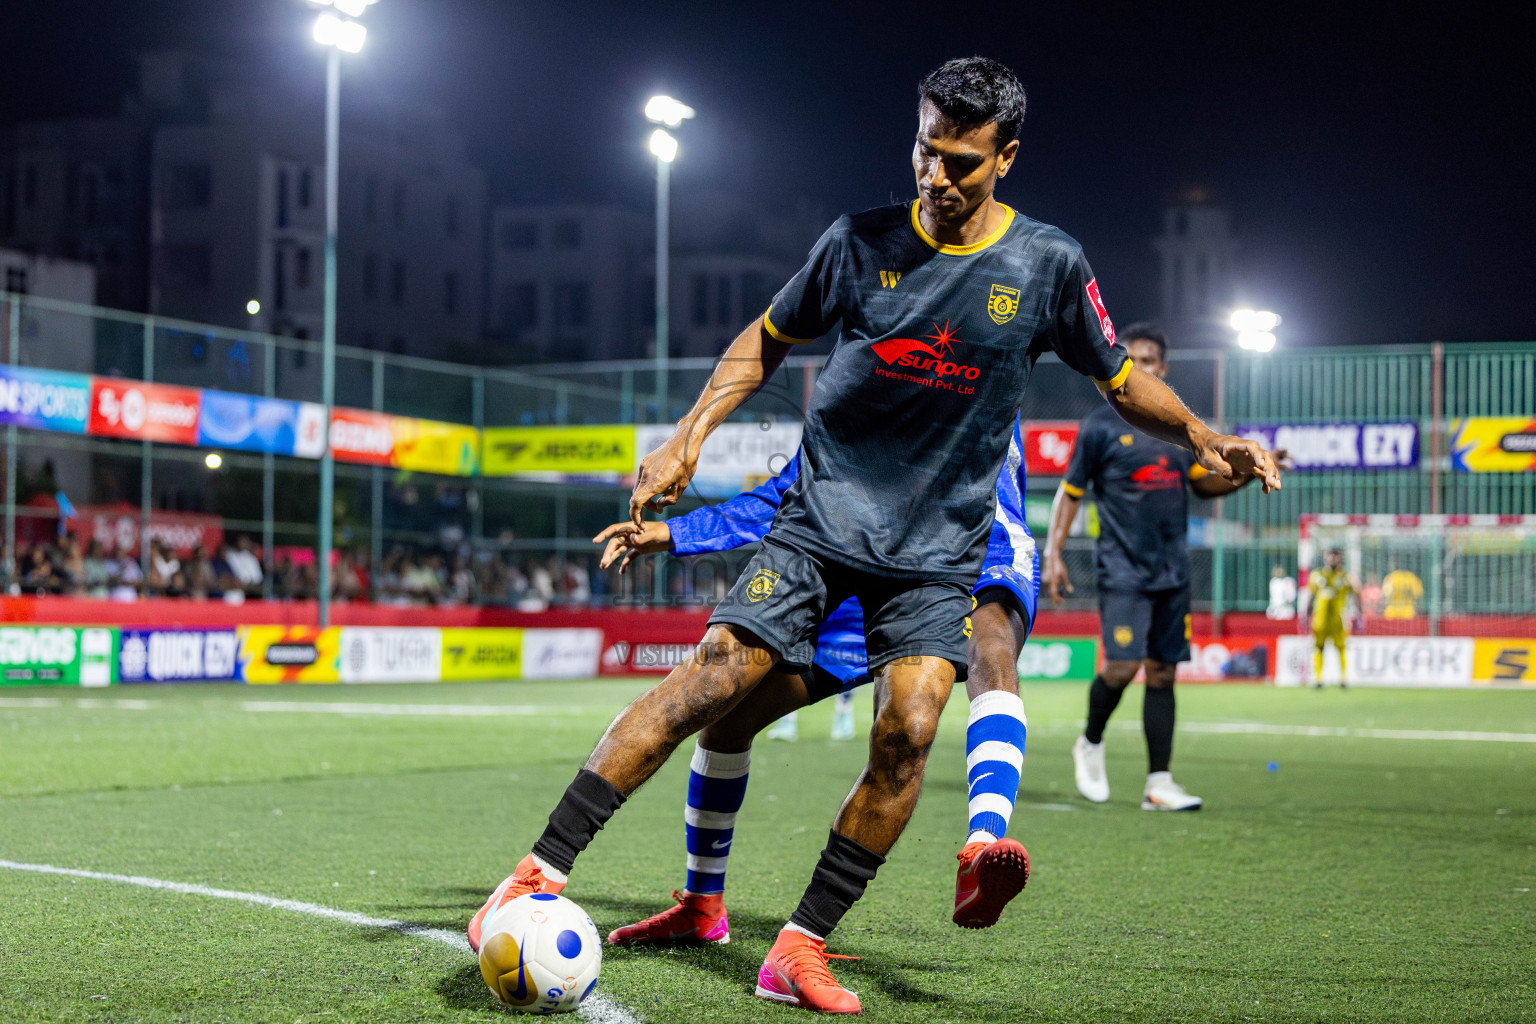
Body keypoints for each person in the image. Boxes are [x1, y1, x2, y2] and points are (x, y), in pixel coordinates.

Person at [470, 57, 1279, 1014]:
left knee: (911, 732)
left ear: (1006, 158)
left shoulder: (1048, 264)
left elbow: (1119, 379)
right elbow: (766, 338)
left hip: (938, 551)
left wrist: (1201, 435)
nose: (937, 176)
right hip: (820, 524)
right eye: (925, 151)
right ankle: (533, 874)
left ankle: (799, 947)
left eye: (962, 162)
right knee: (716, 680)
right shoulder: (858, 242)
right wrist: (689, 436)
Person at [590, 420, 1039, 942]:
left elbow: (1112, 383)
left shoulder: (984, 374)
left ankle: (983, 842)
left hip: (980, 543)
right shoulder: (862, 386)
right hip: (872, 557)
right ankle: (702, 906)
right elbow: (800, 487)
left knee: (991, 648)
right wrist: (678, 533)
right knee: (729, 721)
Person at [1044, 323, 1286, 812]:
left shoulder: (1177, 431)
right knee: (1122, 667)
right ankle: (1090, 741)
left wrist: (1245, 474)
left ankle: (1159, 783)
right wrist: (1053, 552)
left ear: (1163, 368)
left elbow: (1204, 483)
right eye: (1132, 360)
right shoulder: (1099, 427)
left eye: (1149, 361)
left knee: (1162, 673)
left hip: (1172, 570)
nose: (1140, 367)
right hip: (1121, 570)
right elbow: (1070, 493)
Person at [1304, 547, 1356, 687]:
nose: (1332, 558)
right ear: (1325, 556)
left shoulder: (1347, 577)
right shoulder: (1316, 575)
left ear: (1341, 557)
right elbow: (1310, 596)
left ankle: (1343, 678)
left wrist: (1359, 616)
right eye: (1330, 555)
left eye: (1336, 555)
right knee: (1318, 647)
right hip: (1320, 619)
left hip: (1338, 620)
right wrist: (1306, 617)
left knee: (1341, 647)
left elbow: (1357, 594)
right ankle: (1318, 679)